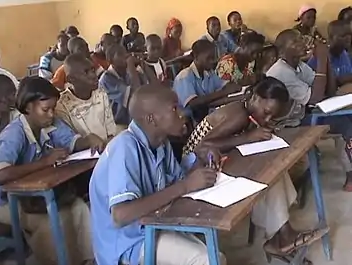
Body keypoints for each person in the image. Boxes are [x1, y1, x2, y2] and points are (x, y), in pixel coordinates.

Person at [182, 76, 326, 263]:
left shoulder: (247, 110)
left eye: (272, 117)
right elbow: (203, 146)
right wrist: (248, 137)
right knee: (262, 177)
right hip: (195, 166)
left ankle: (282, 236)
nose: (267, 119)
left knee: (272, 172)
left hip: (216, 159)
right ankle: (281, 238)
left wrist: (257, 130)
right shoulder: (238, 114)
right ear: (255, 98)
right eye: (266, 112)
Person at [89, 84, 227, 265]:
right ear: (151, 119)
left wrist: (200, 157)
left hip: (154, 225)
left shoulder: (161, 143)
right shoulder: (124, 147)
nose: (182, 114)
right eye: (174, 109)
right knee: (208, 260)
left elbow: (180, 181)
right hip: (128, 242)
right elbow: (121, 214)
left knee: (216, 257)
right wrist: (185, 185)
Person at [0, 76, 105, 265]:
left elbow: (72, 141)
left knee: (78, 208)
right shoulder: (14, 133)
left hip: (37, 194)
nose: (50, 114)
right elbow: (1, 175)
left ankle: (87, 260)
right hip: (7, 202)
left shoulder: (50, 123)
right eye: (45, 110)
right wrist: (45, 162)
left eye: (53, 109)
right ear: (28, 107)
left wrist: (88, 140)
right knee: (50, 223)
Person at [266, 29, 352, 191]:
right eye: (295, 42)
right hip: (287, 125)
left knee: (348, 119)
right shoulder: (281, 72)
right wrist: (320, 61)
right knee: (344, 125)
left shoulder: (298, 66)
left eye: (301, 39)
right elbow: (316, 98)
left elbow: (329, 89)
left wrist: (325, 60)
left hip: (302, 114)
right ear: (283, 51)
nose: (302, 43)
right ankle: (351, 176)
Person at [174, 39, 241, 124]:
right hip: (188, 123)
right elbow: (194, 103)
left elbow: (225, 85)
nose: (213, 61)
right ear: (196, 57)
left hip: (206, 116)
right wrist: (224, 92)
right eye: (209, 58)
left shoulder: (209, 73)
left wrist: (233, 88)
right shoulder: (184, 77)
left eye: (214, 57)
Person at [56, 53, 120, 140]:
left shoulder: (100, 93)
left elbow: (110, 129)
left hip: (107, 147)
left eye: (93, 70)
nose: (93, 75)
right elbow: (71, 141)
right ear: (71, 79)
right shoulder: (62, 106)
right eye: (86, 72)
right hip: (85, 152)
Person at [99, 44, 149, 127]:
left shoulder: (127, 73)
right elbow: (137, 92)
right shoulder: (107, 79)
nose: (125, 56)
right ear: (110, 60)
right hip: (117, 123)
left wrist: (142, 63)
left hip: (131, 119)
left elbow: (148, 87)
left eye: (126, 53)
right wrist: (131, 66)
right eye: (120, 54)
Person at [308, 20, 352, 86]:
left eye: (350, 34)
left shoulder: (343, 53)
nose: (348, 38)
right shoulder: (321, 56)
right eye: (343, 36)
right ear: (331, 38)